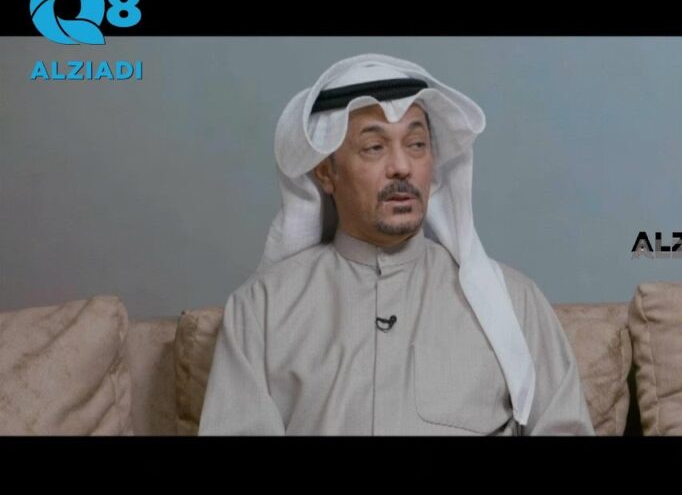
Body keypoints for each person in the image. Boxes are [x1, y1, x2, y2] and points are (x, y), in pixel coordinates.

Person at [198, 53, 594, 435]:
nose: (402, 166)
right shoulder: (262, 309)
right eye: (375, 147)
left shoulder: (514, 301)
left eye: (416, 145)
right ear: (326, 173)